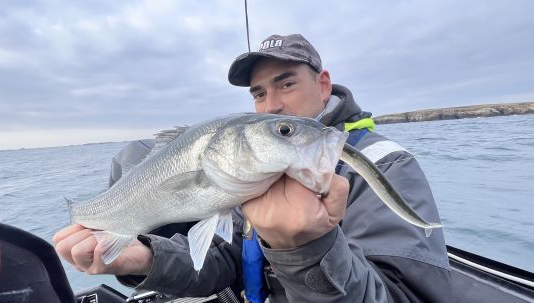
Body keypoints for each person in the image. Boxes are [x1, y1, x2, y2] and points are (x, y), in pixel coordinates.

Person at [54, 33, 452, 302]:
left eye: (287, 84)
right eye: (259, 93)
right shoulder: (253, 171)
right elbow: (225, 262)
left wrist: (307, 248)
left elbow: (406, 295)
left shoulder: (387, 165)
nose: (272, 104)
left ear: (324, 84)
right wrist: (143, 260)